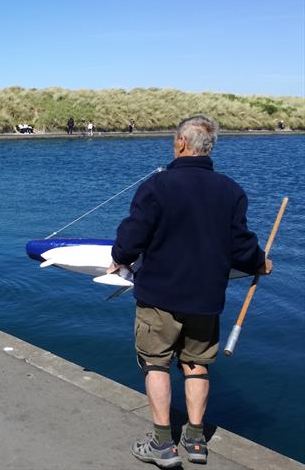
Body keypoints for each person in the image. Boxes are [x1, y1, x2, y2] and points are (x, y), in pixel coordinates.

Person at [107, 115, 272, 468]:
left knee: (156, 364)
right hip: (206, 298)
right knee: (196, 366)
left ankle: (162, 444)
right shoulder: (231, 190)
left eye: (174, 140)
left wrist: (118, 258)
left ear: (181, 143)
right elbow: (242, 247)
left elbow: (132, 237)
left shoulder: (157, 186)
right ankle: (196, 441)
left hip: (159, 297)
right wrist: (260, 262)